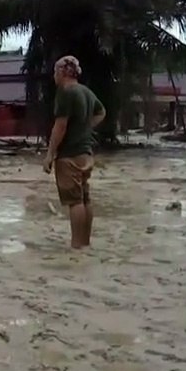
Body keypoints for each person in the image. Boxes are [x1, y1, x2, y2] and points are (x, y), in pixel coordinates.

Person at [43, 55, 105, 249]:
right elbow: (101, 112)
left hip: (69, 154)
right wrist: (85, 128)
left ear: (63, 72)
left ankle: (76, 246)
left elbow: (60, 126)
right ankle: (85, 243)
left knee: (74, 201)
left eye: (55, 71)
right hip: (86, 153)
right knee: (85, 198)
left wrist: (50, 154)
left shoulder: (65, 92)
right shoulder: (86, 91)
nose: (54, 76)